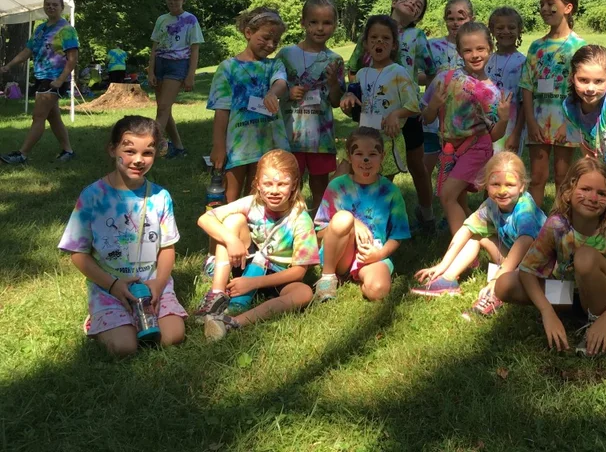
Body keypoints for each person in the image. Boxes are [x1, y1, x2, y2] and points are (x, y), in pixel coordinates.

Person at [57, 116, 186, 356]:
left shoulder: (160, 197)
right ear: (112, 149)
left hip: (152, 287)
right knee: (124, 347)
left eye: (147, 152)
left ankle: (139, 317)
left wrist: (158, 284)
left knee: (172, 336)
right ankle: (97, 320)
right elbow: (78, 254)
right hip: (110, 289)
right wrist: (113, 286)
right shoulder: (92, 197)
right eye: (129, 150)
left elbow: (167, 248)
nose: (138, 160)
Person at [495, 158, 606, 357]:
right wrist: (547, 311)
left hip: (604, 300)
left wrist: (605, 320)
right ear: (568, 191)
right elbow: (528, 271)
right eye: (585, 189)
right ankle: (577, 315)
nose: (592, 197)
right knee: (504, 284)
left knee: (585, 257)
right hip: (569, 295)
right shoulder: (557, 225)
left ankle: (594, 323)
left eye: (601, 193)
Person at [194, 149, 318, 340]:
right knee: (232, 221)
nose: (274, 190)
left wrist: (254, 283)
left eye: (282, 184)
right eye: (268, 183)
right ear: (258, 183)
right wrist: (231, 240)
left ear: (294, 185)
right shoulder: (252, 203)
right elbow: (205, 219)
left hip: (279, 276)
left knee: (304, 292)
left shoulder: (301, 219)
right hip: (247, 263)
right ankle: (216, 295)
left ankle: (234, 322)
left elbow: (299, 271)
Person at [412, 151, 545, 318]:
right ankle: (447, 279)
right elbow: (466, 229)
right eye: (495, 184)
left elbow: (524, 242)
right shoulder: (491, 204)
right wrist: (442, 265)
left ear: (522, 186)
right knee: (476, 235)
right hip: (517, 260)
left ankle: (494, 296)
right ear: (486, 185)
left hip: (539, 266)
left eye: (510, 185)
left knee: (505, 282)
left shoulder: (526, 209)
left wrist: (498, 277)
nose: (502, 191)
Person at [346, 0, 437, 231]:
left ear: (417, 17)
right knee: (379, 162)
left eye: (418, 5)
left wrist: (414, 81)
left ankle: (427, 216)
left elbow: (430, 71)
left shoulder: (417, 36)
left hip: (406, 110)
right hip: (374, 113)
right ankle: (376, 216)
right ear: (394, 2)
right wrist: (353, 91)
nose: (412, 4)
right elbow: (353, 68)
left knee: (417, 164)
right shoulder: (371, 31)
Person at [421, 22, 511, 233]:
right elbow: (426, 118)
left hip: (476, 148)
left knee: (448, 195)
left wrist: (504, 118)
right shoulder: (446, 78)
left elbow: (495, 135)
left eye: (480, 49)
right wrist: (433, 105)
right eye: (468, 50)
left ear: (490, 49)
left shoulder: (491, 93)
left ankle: (459, 251)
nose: (475, 55)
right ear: (460, 52)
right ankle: (479, 243)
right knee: (458, 201)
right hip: (449, 150)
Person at [314, 128, 411, 303]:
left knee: (378, 290)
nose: (365, 160)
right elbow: (320, 232)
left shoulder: (390, 192)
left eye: (372, 154)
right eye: (359, 153)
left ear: (382, 156)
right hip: (339, 256)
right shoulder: (337, 187)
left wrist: (379, 255)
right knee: (344, 218)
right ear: (349, 157)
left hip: (370, 255)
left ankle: (359, 275)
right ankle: (328, 277)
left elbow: (398, 235)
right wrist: (354, 223)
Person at [206, 7, 289, 207]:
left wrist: (272, 93)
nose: (270, 45)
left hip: (268, 145)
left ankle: (252, 237)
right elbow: (222, 110)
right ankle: (227, 236)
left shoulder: (273, 66)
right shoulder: (228, 68)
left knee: (258, 200)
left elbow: (281, 83)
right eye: (266, 38)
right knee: (229, 200)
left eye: (275, 41)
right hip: (237, 147)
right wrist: (218, 147)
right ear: (249, 32)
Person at [520, 0, 585, 203]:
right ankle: (533, 226)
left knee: (562, 177)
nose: (545, 9)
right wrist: (530, 120)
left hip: (566, 121)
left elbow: (582, 89)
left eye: (551, 3)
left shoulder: (579, 46)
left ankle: (560, 226)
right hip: (538, 120)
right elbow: (527, 84)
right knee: (537, 178)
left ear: (568, 7)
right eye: (542, 4)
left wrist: (569, 121)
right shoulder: (536, 46)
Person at [278, 0, 343, 212]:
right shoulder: (286, 54)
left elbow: (335, 101)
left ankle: (318, 223)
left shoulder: (334, 59)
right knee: (288, 183)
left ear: (334, 25)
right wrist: (288, 92)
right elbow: (272, 90)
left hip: (320, 138)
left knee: (319, 184)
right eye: (314, 22)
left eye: (327, 23)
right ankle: (288, 221)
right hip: (289, 134)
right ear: (303, 22)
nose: (320, 28)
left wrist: (334, 83)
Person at [1, 0, 78, 164]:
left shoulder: (66, 30)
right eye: (48, 4)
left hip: (54, 79)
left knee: (38, 116)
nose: (51, 7)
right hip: (41, 76)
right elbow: (27, 51)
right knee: (53, 117)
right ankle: (68, 151)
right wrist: (9, 65)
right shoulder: (40, 29)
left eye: (55, 4)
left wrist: (60, 80)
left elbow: (72, 59)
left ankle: (22, 154)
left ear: (61, 8)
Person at [340, 16, 419, 178]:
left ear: (394, 45)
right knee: (347, 176)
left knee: (380, 186)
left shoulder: (398, 72)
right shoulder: (362, 74)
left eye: (386, 38)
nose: (379, 42)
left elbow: (413, 105)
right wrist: (347, 100)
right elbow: (355, 111)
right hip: (362, 139)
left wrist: (395, 114)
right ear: (366, 44)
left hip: (387, 141)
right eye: (374, 37)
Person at [147, 0, 204, 159]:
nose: (172, 2)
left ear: (183, 1)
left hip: (178, 64)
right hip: (160, 64)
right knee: (164, 109)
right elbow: (154, 47)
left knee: (163, 108)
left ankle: (151, 148)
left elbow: (195, 49)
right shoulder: (161, 19)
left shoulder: (190, 20)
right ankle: (179, 148)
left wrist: (190, 75)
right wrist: (151, 71)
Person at [424, 0, 474, 175]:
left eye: (461, 18)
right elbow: (419, 75)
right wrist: (436, 77)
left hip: (462, 116)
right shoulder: (432, 46)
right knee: (426, 165)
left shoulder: (475, 46)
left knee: (458, 168)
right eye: (450, 18)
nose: (455, 23)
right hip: (434, 113)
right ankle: (426, 202)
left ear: (472, 19)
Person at [562, 45, 606, 166]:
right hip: (604, 165)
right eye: (583, 80)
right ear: (572, 77)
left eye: (598, 81)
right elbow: (583, 146)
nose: (590, 88)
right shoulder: (569, 106)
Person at [486, 6, 527, 155]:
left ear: (519, 30)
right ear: (492, 29)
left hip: (511, 128)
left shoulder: (523, 63)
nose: (505, 31)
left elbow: (524, 102)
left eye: (511, 27)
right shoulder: (486, 60)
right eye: (500, 27)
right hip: (485, 127)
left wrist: (516, 134)